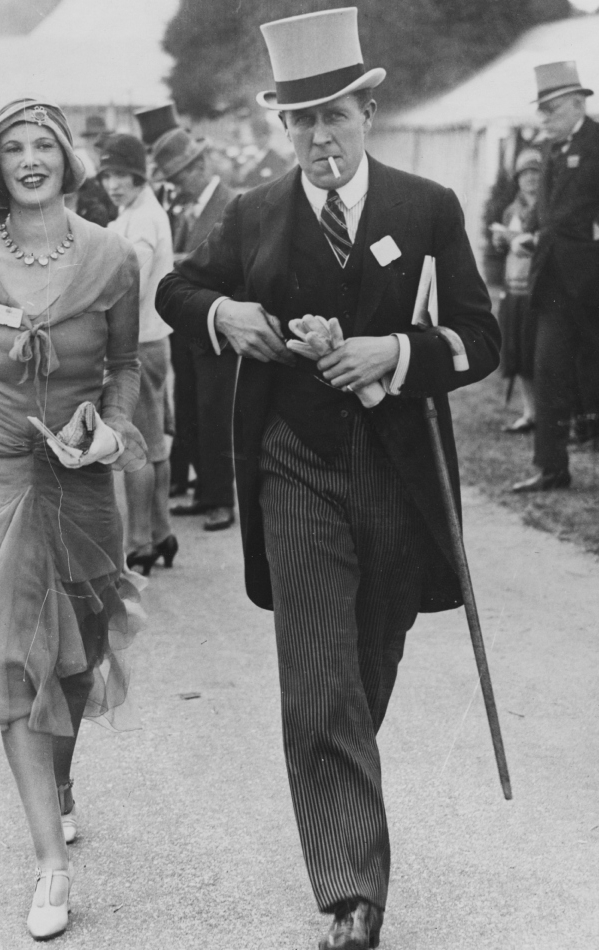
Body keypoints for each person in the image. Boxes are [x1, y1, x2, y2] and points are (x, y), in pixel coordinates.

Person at [156, 9, 500, 949]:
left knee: (362, 671)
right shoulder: (251, 212)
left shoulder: (426, 208)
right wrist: (227, 313)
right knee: (317, 680)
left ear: (367, 113)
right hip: (292, 466)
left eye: (334, 119)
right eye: (300, 123)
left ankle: (339, 786)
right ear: (284, 127)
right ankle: (353, 894)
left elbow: (482, 338)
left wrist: (397, 349)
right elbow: (176, 290)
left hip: (397, 476)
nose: (319, 140)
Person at [0, 98, 146, 940]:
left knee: (76, 659)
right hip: (2, 471)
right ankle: (51, 865)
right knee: (12, 660)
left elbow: (124, 368)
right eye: (14, 148)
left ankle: (64, 781)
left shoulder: (113, 257)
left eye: (44, 143)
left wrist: (109, 430)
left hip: (81, 475)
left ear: (67, 158)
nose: (31, 158)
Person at [513, 61, 599, 492]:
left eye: (551, 109)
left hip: (593, 284)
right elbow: (545, 211)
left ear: (577, 103)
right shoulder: (548, 148)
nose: (543, 118)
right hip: (551, 284)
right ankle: (551, 468)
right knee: (547, 373)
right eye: (541, 110)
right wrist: (526, 233)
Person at [100, 133, 178, 574]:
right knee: (154, 445)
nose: (114, 184)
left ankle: (139, 542)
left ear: (139, 176)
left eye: (122, 176)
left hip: (141, 344)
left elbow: (132, 281)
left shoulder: (143, 219)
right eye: (108, 175)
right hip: (152, 341)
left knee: (136, 447)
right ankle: (161, 532)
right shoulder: (136, 212)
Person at [153, 128, 237, 531]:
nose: (178, 185)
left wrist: (177, 260)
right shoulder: (187, 208)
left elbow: (231, 267)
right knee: (191, 409)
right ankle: (205, 492)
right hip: (188, 327)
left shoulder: (232, 203)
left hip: (218, 326)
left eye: (183, 175)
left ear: (201, 165)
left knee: (215, 412)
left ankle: (222, 499)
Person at [491, 148, 541, 434]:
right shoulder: (512, 209)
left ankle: (554, 415)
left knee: (541, 354)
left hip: (540, 291)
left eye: (535, 172)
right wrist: (501, 240)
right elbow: (504, 250)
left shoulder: (548, 208)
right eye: (525, 174)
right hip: (514, 289)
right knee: (519, 353)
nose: (530, 179)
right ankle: (530, 412)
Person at [234, 112, 292, 189]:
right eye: (255, 135)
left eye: (260, 136)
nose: (256, 139)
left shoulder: (275, 159)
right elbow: (240, 182)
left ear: (267, 136)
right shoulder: (249, 158)